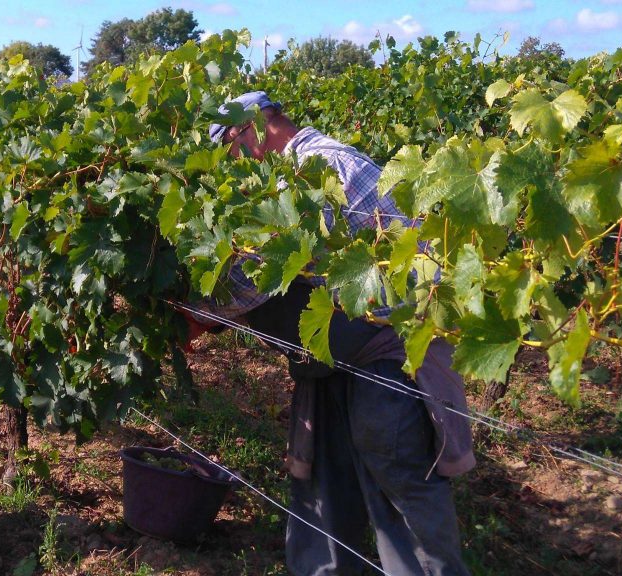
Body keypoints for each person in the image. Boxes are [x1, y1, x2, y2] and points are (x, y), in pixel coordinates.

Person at [184, 91, 474, 575]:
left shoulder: (320, 169)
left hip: (391, 359)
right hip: (337, 360)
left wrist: (197, 312)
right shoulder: (289, 173)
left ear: (251, 130)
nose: (229, 170)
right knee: (323, 486)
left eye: (229, 153)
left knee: (398, 491)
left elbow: (253, 274)